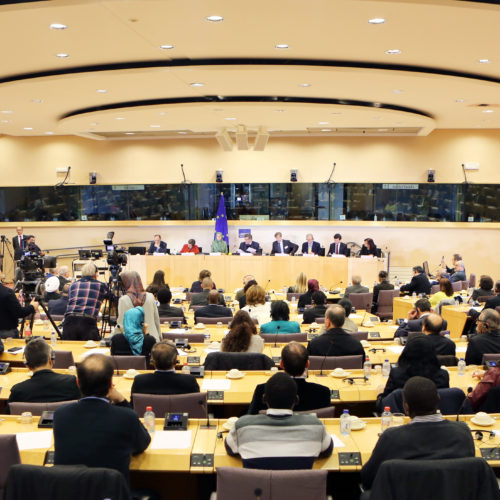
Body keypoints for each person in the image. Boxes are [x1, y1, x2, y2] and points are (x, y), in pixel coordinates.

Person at [361, 376, 475, 490]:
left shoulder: (391, 437)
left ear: (406, 407)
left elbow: (368, 478)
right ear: (438, 399)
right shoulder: (463, 432)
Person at [53, 354, 151, 482]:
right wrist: (121, 401)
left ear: (78, 382)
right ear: (111, 383)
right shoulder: (126, 417)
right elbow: (143, 443)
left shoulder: (60, 415)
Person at [225, 372, 333, 469]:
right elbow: (327, 450)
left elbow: (230, 448)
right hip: (299, 489)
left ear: (263, 399)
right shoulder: (315, 425)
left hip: (257, 490)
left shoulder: (243, 425)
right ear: (296, 400)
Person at [248, 343, 331, 414]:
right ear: (307, 364)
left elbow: (250, 419)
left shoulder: (262, 390)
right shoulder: (323, 393)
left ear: (281, 364)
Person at [376, 334, 449, 408]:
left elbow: (384, 405)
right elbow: (446, 402)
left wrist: (379, 395)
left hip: (403, 416)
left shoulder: (396, 374)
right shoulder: (443, 375)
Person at [8, 338, 80, 408]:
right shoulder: (72, 383)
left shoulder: (18, 390)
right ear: (51, 360)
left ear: (28, 366)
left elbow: (8, 416)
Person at [131, 340, 200, 396]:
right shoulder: (189, 381)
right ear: (176, 360)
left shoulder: (140, 381)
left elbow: (133, 406)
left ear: (152, 361)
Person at [63, 262, 108, 341]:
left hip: (69, 321)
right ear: (95, 274)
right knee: (91, 350)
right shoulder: (101, 285)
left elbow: (70, 301)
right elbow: (112, 299)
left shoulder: (73, 285)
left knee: (70, 347)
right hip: (87, 322)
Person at [114, 271, 161, 342]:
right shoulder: (150, 296)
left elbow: (121, 325)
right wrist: (160, 339)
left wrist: (111, 338)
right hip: (153, 340)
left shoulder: (123, 300)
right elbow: (156, 320)